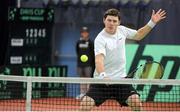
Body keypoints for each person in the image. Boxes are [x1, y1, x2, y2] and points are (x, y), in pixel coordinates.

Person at [80, 8, 166, 111]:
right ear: (104, 20)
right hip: (102, 82)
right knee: (84, 105)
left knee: (136, 103)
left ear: (119, 22)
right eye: (109, 20)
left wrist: (152, 22)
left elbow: (139, 35)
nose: (111, 23)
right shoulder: (100, 39)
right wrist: (103, 76)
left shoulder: (122, 30)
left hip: (120, 80)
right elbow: (99, 60)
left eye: (114, 21)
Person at [76, 26, 95, 99]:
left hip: (88, 65)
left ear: (88, 33)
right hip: (80, 64)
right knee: (82, 79)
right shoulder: (78, 42)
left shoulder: (90, 42)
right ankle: (82, 93)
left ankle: (88, 94)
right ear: (81, 33)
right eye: (83, 32)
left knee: (88, 79)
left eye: (86, 32)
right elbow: (77, 51)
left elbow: (92, 53)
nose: (84, 34)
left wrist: (92, 63)